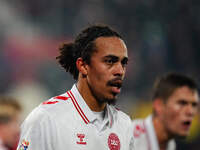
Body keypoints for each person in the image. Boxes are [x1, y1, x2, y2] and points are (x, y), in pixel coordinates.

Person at [17, 24, 133, 150]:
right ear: (83, 66)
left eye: (123, 63)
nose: (120, 71)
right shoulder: (46, 119)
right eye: (110, 61)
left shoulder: (124, 124)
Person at [130, 72, 199, 150]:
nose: (190, 112)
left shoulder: (170, 144)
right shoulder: (128, 137)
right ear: (159, 105)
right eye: (182, 103)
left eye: (194, 105)